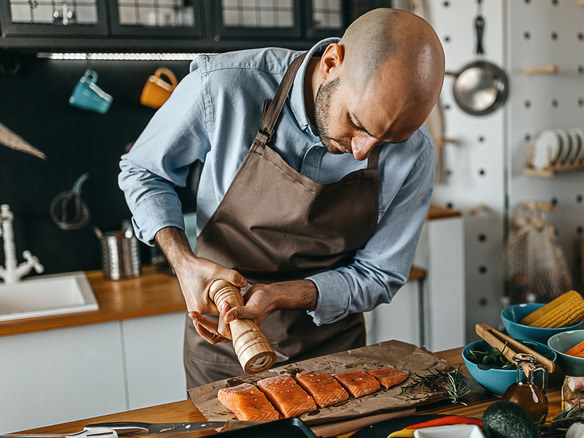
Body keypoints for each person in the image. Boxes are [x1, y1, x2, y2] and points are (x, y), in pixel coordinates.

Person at [118, 8, 446, 389]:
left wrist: (280, 295)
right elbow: (143, 171)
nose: (362, 151)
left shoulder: (417, 153)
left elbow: (379, 274)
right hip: (224, 346)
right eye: (356, 123)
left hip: (335, 354)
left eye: (389, 141)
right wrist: (183, 262)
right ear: (331, 63)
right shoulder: (223, 87)